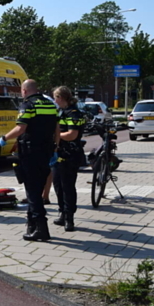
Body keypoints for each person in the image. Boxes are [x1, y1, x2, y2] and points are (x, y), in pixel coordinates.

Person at [0, 79, 59, 241]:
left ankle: (41, 228)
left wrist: (4, 138)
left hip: (30, 152)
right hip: (46, 151)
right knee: (37, 188)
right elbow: (57, 128)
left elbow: (21, 128)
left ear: (24, 91)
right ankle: (31, 224)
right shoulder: (50, 104)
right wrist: (55, 147)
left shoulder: (28, 105)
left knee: (32, 191)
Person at [51, 86, 86, 232]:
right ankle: (62, 213)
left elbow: (72, 135)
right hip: (59, 154)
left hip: (70, 154)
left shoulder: (73, 113)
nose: (54, 100)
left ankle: (69, 218)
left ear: (61, 97)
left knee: (67, 186)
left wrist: (54, 137)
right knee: (58, 184)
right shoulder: (61, 112)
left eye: (55, 97)